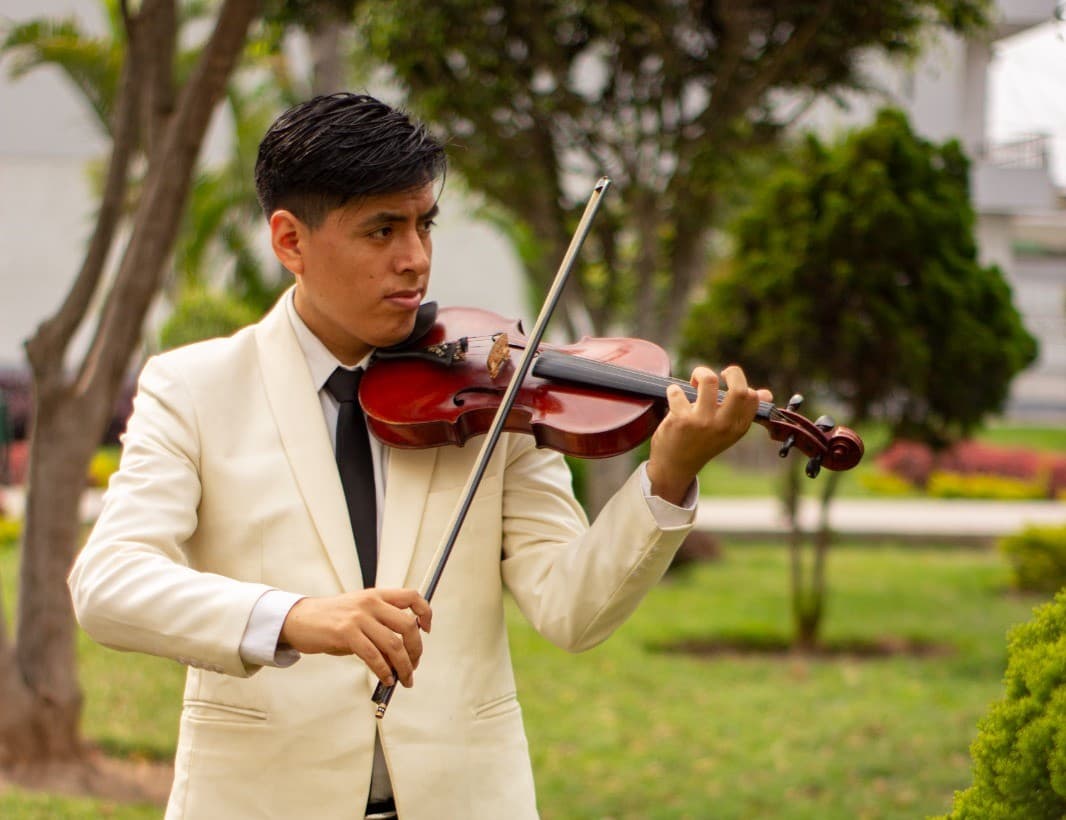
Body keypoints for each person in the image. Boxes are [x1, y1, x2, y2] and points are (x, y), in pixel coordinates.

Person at [68, 92, 770, 820]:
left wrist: (668, 474)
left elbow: (573, 609)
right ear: (289, 241)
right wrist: (297, 617)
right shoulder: (192, 387)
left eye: (423, 224)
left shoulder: (496, 390)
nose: (416, 260)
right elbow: (109, 584)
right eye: (382, 230)